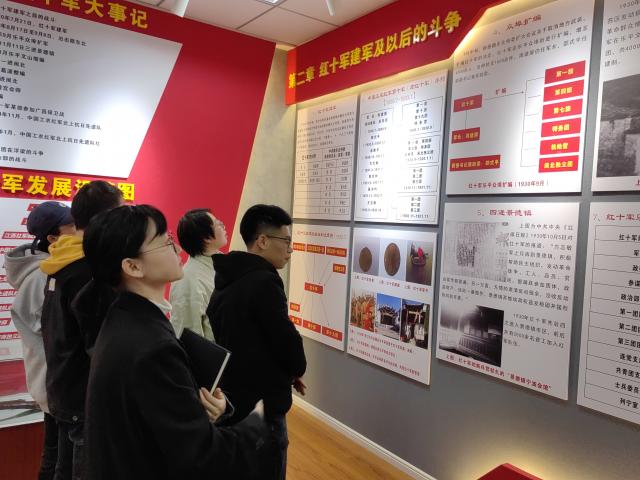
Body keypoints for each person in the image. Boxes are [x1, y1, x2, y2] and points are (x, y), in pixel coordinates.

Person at [80, 204, 272, 480]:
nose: (176, 247)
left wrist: (196, 408)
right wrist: (257, 419)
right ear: (132, 266)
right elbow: (203, 456)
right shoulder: (152, 347)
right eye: (164, 241)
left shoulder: (125, 318)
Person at [207, 204, 307, 480]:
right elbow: (286, 340)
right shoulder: (264, 282)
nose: (290, 249)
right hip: (263, 405)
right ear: (262, 241)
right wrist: (295, 368)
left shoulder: (229, 276)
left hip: (234, 399)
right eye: (286, 241)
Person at [39, 181, 123, 479]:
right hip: (84, 394)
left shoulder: (63, 259)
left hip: (63, 385)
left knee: (63, 468)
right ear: (107, 219)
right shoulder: (90, 270)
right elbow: (100, 344)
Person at [5, 201, 76, 480]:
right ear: (53, 237)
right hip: (57, 383)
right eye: (71, 225)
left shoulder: (45, 272)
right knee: (59, 460)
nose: (79, 229)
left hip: (53, 383)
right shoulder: (42, 276)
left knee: (55, 454)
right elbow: (52, 336)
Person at [169, 208, 227, 340]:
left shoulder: (221, 264)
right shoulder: (187, 279)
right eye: (217, 223)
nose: (223, 225)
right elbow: (188, 336)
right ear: (206, 238)